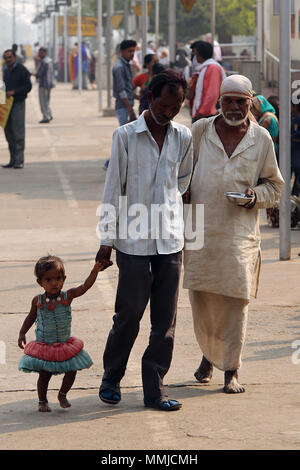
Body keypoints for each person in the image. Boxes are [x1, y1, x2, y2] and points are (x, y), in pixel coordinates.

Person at [96, 70, 193, 411]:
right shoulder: (124, 136)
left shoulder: (183, 136)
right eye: (164, 105)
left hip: (169, 241)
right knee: (128, 315)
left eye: (176, 106)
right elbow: (113, 189)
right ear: (150, 98)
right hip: (133, 243)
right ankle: (112, 377)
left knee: (165, 320)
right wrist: (106, 239)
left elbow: (182, 181)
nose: (169, 112)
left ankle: (155, 389)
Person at [183, 75, 284, 394]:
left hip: (240, 234)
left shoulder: (262, 138)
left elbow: (274, 185)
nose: (235, 107)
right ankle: (208, 356)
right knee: (204, 298)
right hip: (200, 229)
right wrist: (181, 193)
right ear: (219, 102)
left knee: (236, 299)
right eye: (229, 101)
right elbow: (181, 173)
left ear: (251, 102)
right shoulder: (200, 130)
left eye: (241, 101)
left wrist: (255, 197)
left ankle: (231, 369)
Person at [18, 255, 111, 412]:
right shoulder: (38, 300)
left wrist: (94, 271)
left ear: (64, 278)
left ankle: (62, 394)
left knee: (72, 370)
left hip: (64, 344)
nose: (54, 283)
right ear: (40, 282)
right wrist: (22, 332)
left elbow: (85, 286)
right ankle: (42, 400)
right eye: (48, 280)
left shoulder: (67, 296)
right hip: (45, 345)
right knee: (44, 374)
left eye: (58, 278)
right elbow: (30, 317)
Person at [1, 49, 32, 169]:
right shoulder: (5, 70)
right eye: (5, 57)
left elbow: (28, 87)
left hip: (18, 103)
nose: (7, 60)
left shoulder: (22, 70)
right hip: (6, 105)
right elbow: (3, 84)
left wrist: (14, 92)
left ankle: (19, 160)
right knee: (8, 133)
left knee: (18, 132)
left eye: (9, 57)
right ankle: (12, 160)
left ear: (14, 57)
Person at [188, 40, 226, 123]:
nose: (193, 56)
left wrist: (202, 113)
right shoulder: (204, 68)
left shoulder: (213, 68)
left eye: (195, 53)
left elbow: (212, 94)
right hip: (202, 113)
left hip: (207, 115)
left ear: (199, 54)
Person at [113, 39, 137, 126]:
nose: (132, 54)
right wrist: (130, 110)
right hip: (123, 107)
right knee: (125, 134)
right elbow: (121, 91)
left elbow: (128, 88)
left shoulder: (127, 65)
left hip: (127, 106)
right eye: (129, 51)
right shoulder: (119, 67)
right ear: (122, 51)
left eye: (133, 51)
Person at [35, 47, 55, 124]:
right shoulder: (49, 60)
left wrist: (33, 74)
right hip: (49, 84)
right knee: (47, 101)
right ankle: (49, 114)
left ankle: (46, 117)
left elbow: (40, 74)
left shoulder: (44, 62)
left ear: (44, 53)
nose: (39, 54)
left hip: (43, 84)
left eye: (40, 53)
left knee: (43, 102)